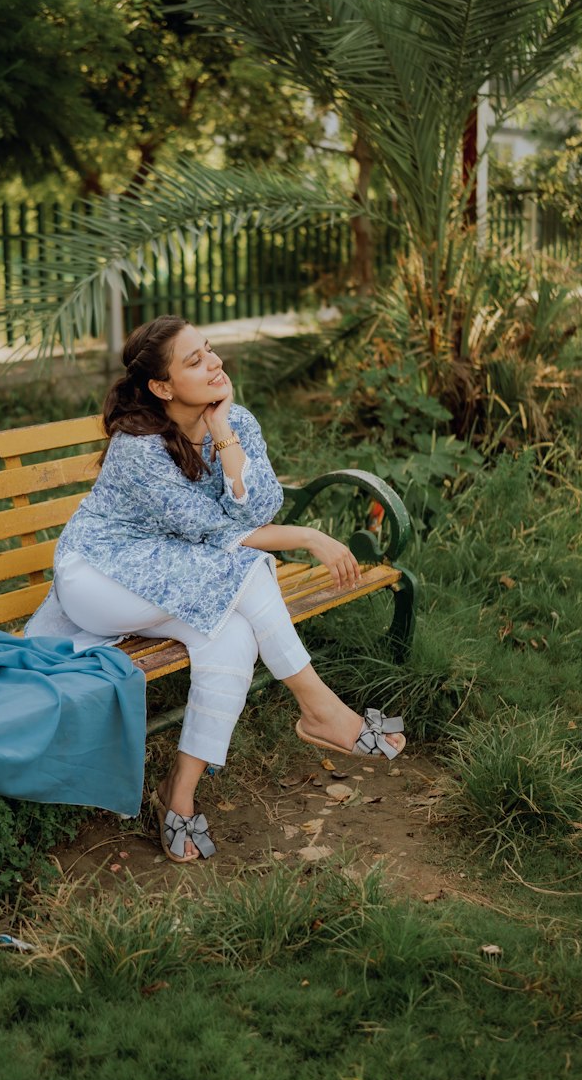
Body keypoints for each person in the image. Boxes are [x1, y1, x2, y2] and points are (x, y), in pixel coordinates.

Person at [25, 315, 405, 865]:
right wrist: (305, 536)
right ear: (161, 386)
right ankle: (320, 709)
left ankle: (175, 797)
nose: (215, 364)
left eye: (211, 350)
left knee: (229, 639)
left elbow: (259, 506)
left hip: (176, 571)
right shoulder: (138, 447)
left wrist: (225, 433)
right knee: (249, 571)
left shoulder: (234, 420)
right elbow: (216, 530)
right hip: (100, 576)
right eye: (195, 360)